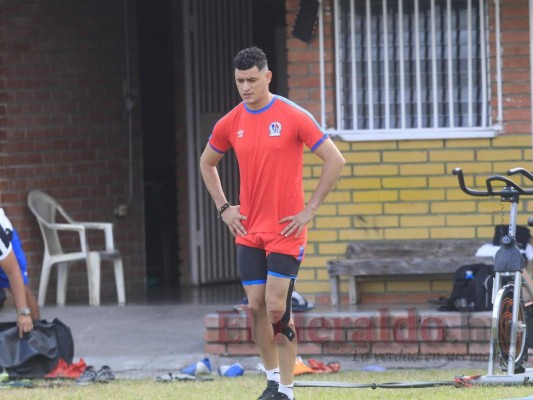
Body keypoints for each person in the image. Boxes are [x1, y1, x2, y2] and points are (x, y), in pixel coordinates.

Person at [200, 46, 345, 400]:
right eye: (239, 81)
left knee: (278, 305)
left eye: (252, 80)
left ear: (267, 76)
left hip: (286, 230)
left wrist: (310, 209)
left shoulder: (293, 115)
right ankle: (270, 380)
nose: (246, 87)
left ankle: (287, 390)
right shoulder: (231, 121)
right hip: (248, 230)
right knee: (256, 306)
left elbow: (334, 160)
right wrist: (225, 209)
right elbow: (207, 163)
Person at [0, 209, 37, 337]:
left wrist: (23, 313)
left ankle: (38, 338)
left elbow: (13, 271)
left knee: (23, 293)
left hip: (6, 249)